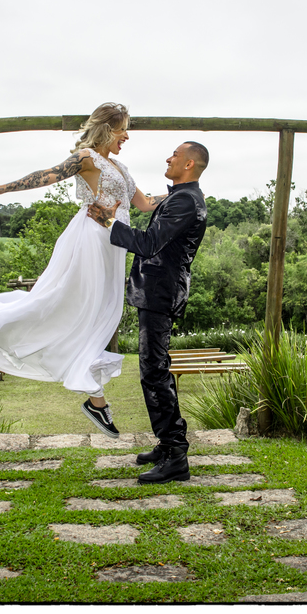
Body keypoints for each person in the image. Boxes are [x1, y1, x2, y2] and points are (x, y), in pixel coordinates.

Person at [0, 103, 166, 439]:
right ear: (107, 128)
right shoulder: (87, 157)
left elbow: (145, 203)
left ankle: (96, 401)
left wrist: (182, 194)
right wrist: (1, 188)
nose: (127, 136)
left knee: (103, 315)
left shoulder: (121, 166)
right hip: (91, 238)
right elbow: (46, 175)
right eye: (123, 130)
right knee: (64, 306)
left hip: (114, 245)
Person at [87, 140, 208, 484]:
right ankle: (167, 443)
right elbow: (146, 207)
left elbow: (148, 243)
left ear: (188, 164)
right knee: (155, 370)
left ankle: (175, 456)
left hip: (160, 293)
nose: (168, 158)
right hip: (154, 293)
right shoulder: (180, 196)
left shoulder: (186, 200)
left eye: (175, 155)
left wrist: (108, 221)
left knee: (154, 372)